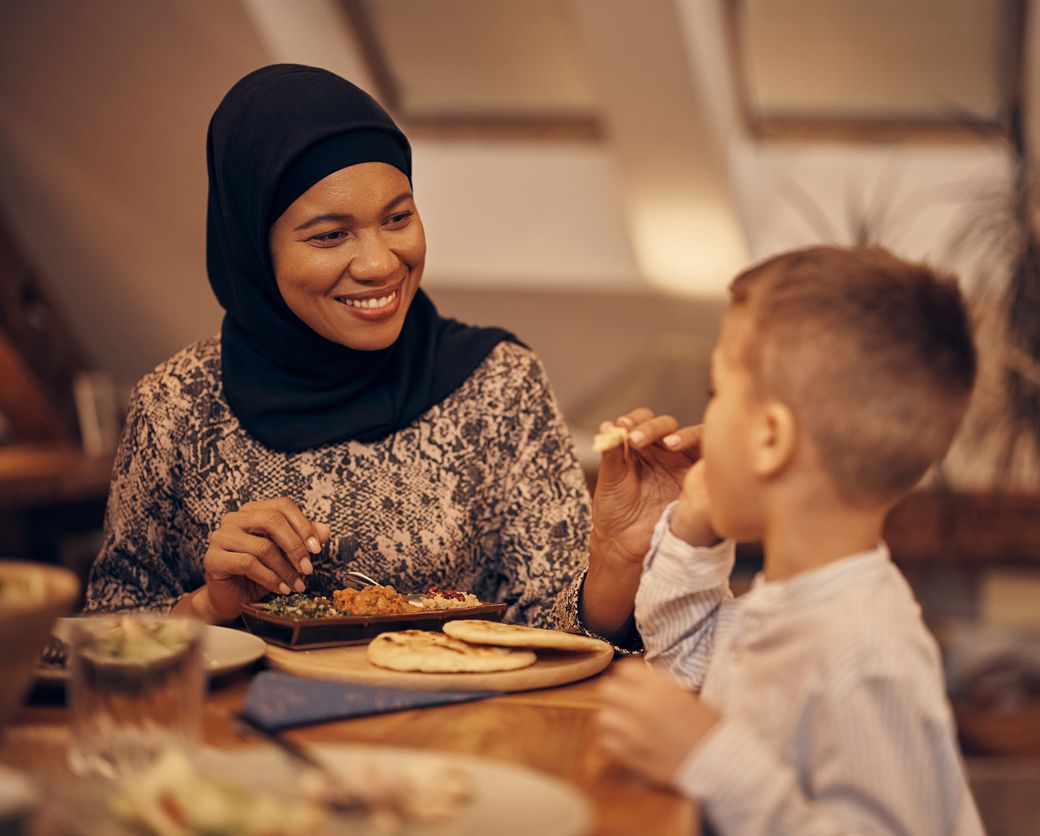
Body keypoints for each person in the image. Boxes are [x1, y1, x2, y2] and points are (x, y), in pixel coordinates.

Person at [84, 64, 698, 645]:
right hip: (240, 749)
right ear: (252, 248)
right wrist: (209, 606)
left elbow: (562, 632)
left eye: (398, 217)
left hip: (458, 744)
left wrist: (616, 563)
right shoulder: (178, 402)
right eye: (329, 235)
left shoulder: (497, 384)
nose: (381, 263)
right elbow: (101, 635)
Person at [598, 246, 986, 834]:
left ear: (771, 438)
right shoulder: (783, 603)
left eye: (716, 392)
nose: (704, 413)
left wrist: (709, 758)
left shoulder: (867, 654)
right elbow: (685, 667)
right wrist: (692, 528)